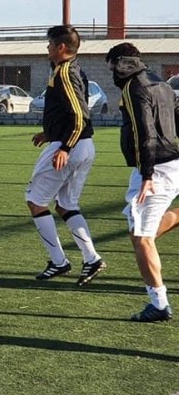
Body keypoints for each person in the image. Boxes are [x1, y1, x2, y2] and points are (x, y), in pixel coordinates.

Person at [26, 25, 105, 285]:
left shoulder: (65, 73)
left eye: (49, 44)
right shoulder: (71, 70)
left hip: (71, 146)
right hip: (81, 145)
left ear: (61, 47)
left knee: (36, 201)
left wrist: (64, 147)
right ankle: (91, 259)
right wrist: (49, 133)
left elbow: (80, 116)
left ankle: (59, 262)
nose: (47, 48)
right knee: (66, 205)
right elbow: (68, 112)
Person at [107, 42, 179, 322]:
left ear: (119, 63)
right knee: (137, 232)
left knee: (141, 239)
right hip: (168, 165)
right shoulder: (160, 83)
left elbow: (144, 133)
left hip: (155, 169)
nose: (111, 72)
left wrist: (147, 175)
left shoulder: (133, 88)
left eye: (111, 65)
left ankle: (159, 304)